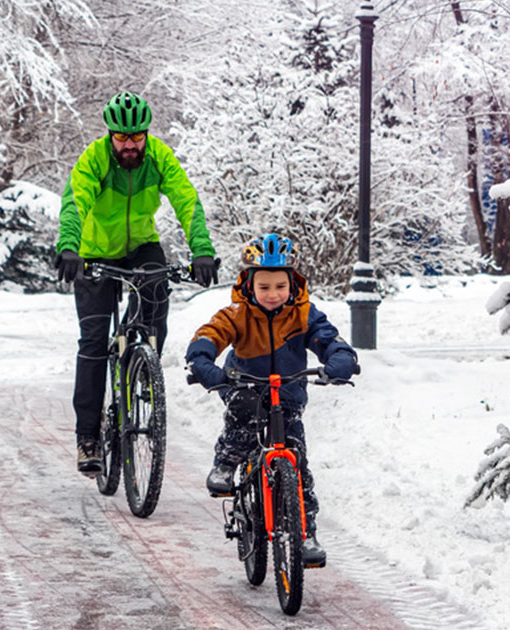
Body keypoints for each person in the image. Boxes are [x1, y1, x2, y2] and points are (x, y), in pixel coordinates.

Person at [55, 91, 217, 476]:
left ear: (146, 134)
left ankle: (143, 370)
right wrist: (69, 247)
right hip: (94, 251)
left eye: (137, 137)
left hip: (140, 246)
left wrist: (202, 250)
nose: (130, 145)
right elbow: (74, 204)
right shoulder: (93, 160)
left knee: (156, 299)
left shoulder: (159, 157)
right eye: (122, 138)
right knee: (94, 342)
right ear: (111, 135)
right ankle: (88, 438)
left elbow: (186, 200)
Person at [184, 233, 358, 567]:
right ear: (249, 285)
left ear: (293, 284)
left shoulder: (304, 314)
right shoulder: (237, 313)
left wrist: (340, 360)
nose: (273, 294)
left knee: (297, 459)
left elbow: (329, 339)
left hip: (288, 392)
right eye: (264, 287)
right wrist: (203, 362)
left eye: (280, 286)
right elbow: (210, 335)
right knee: (244, 418)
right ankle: (226, 462)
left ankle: (305, 532)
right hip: (243, 383)